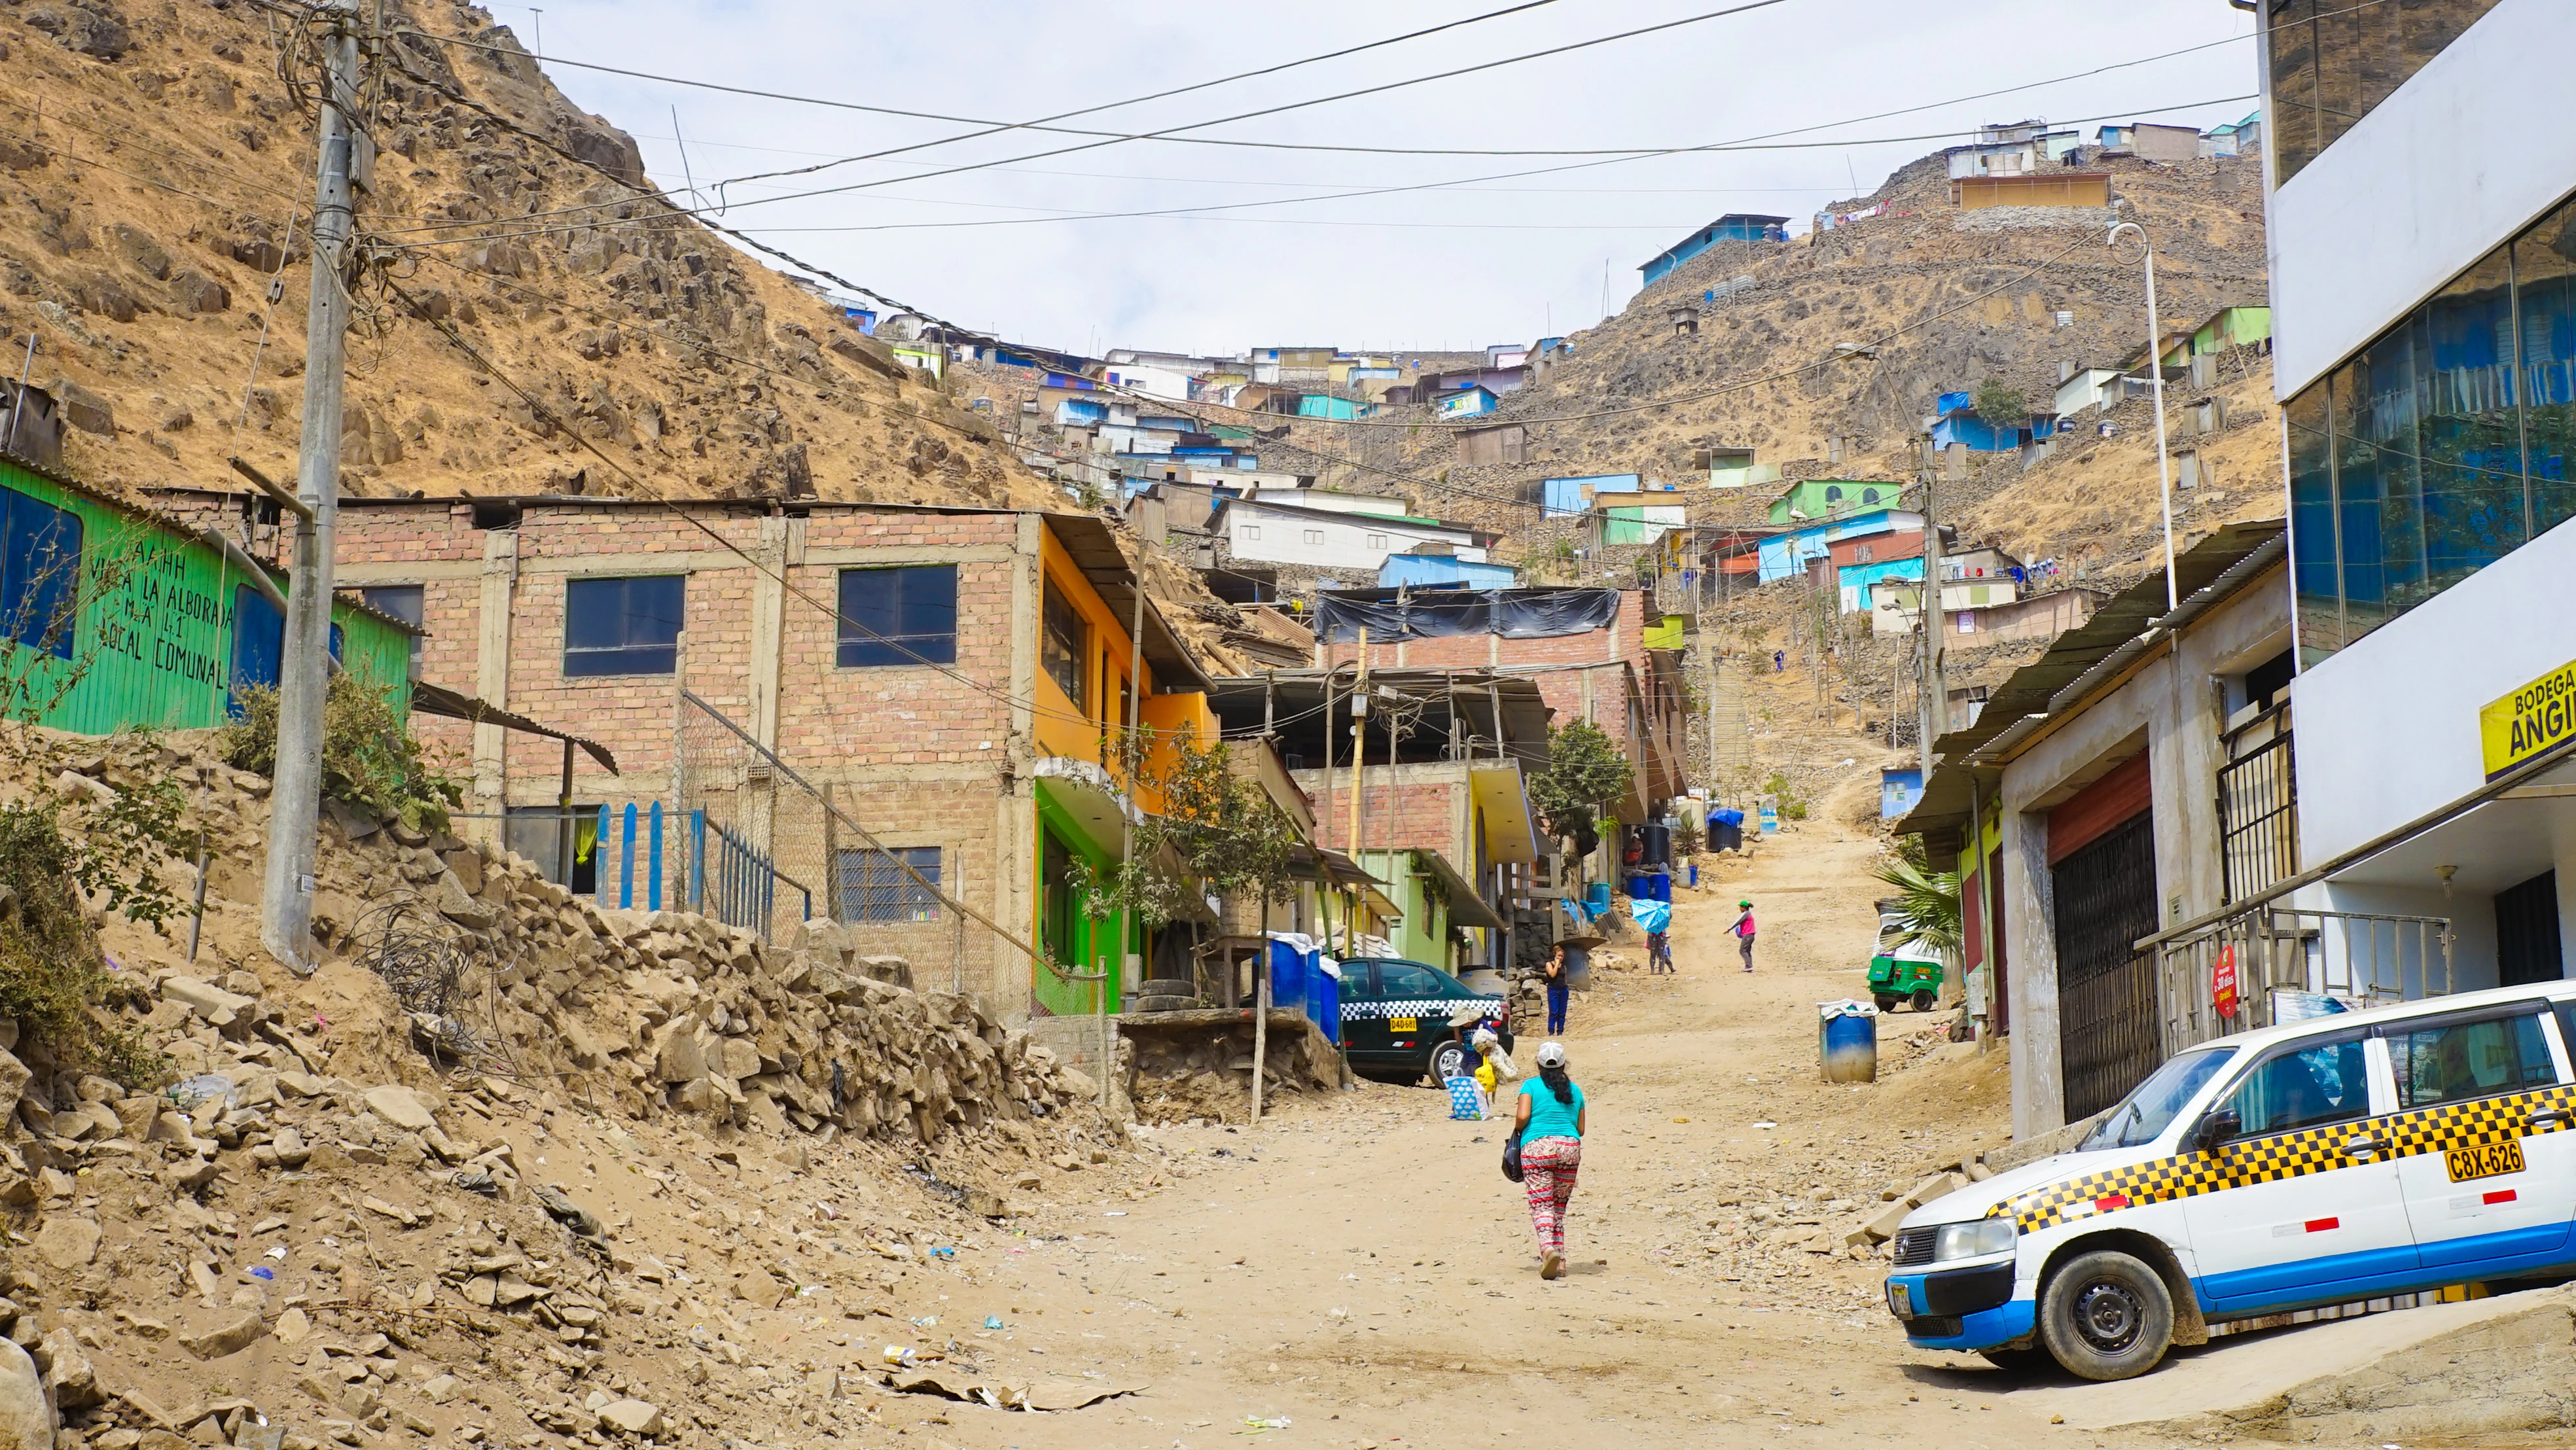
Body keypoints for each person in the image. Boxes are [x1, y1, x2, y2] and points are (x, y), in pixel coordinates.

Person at [1512, 1041, 1587, 1280]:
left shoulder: (1530, 1086)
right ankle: (1561, 1260)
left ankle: (1547, 1249)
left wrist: (1519, 1128)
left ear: (1538, 1064)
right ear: (1564, 1064)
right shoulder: (1575, 1091)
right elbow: (1581, 1128)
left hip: (1538, 1148)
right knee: (1558, 1207)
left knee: (1541, 1205)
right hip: (1569, 1148)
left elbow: (1522, 1116)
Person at [1541, 944, 1570, 1035]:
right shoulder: (1549, 964)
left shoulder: (1563, 966)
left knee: (1562, 1012)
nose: (1560, 958)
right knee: (1554, 1012)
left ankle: (1560, 1031)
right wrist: (1557, 964)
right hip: (1553, 990)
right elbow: (1552, 975)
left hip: (1563, 990)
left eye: (1562, 956)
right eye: (1559, 956)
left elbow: (1565, 977)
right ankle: (1551, 1031)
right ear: (1555, 956)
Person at [1730, 900, 1757, 972]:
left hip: (1747, 935)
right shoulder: (1749, 914)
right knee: (1747, 951)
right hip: (1752, 935)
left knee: (1743, 951)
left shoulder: (1746, 914)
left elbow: (1738, 921)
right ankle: (1750, 967)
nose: (1740, 909)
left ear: (1743, 908)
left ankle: (1748, 966)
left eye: (1740, 907)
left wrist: (1729, 929)